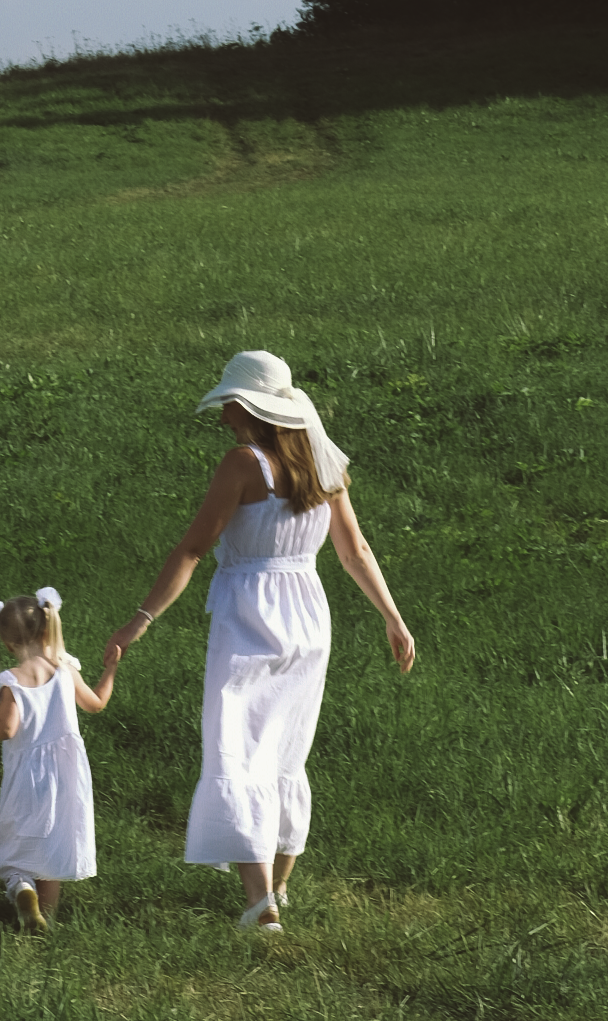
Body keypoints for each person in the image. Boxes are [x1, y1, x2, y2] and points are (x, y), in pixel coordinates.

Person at [103, 349, 414, 937]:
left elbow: (192, 549)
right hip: (308, 617)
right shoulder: (326, 467)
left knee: (237, 749)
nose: (223, 417)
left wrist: (138, 620)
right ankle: (282, 886)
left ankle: (259, 902)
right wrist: (393, 618)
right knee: (286, 752)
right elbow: (354, 552)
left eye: (229, 406)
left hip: (249, 612)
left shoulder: (243, 464)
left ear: (249, 409)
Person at [0, 584, 119, 932]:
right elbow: (96, 703)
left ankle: (20, 885)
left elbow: (6, 729)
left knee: (13, 839)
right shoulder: (65, 669)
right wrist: (109, 669)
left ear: (5, 643)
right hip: (66, 774)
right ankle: (43, 918)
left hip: (26, 775)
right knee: (54, 840)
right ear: (46, 627)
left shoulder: (11, 681)